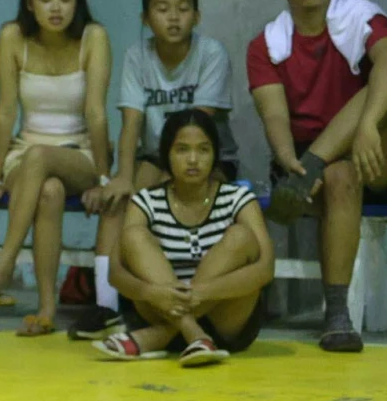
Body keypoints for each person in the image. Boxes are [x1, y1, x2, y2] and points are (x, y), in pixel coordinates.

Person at [247, 0, 387, 354]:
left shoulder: (363, 18)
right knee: (337, 174)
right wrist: (291, 163)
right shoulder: (266, 45)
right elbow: (275, 116)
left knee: (371, 90)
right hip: (307, 167)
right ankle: (337, 314)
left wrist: (370, 123)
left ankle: (317, 164)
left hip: (374, 152)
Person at [0, 0, 114, 337]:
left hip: (80, 155)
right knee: (49, 191)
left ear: (78, 3)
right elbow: (5, 110)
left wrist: (104, 179)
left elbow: (96, 112)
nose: (56, 8)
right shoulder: (12, 36)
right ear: (30, 4)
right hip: (23, 153)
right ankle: (45, 309)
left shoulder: (94, 37)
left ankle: (3, 265)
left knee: (40, 158)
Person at [72, 0, 234, 338]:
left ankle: (187, 301)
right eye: (162, 9)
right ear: (146, 18)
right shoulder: (137, 56)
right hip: (154, 155)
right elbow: (131, 123)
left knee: (176, 196)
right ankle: (107, 306)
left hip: (204, 156)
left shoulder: (211, 54)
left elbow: (200, 126)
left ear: (197, 15)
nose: (173, 18)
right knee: (119, 200)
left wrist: (167, 178)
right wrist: (123, 176)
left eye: (183, 9)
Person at [96, 108, 274, 365]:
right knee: (133, 235)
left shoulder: (238, 199)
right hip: (159, 309)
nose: (193, 159)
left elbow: (266, 269)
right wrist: (151, 293)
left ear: (215, 156)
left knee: (241, 236)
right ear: (167, 155)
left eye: (203, 150)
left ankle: (159, 337)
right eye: (182, 150)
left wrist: (203, 292)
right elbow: (116, 273)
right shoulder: (146, 201)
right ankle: (193, 333)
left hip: (226, 323)